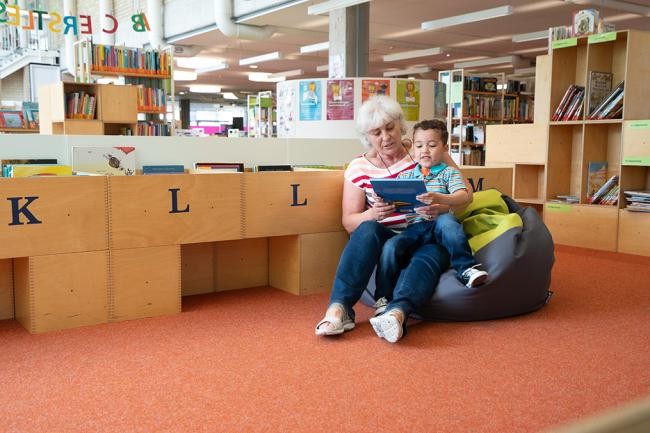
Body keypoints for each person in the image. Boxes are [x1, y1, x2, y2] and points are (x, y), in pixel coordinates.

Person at [314, 96, 471, 342]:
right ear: (367, 136)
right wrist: (373, 213)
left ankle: (397, 314)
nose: (385, 137)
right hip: (388, 239)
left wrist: (440, 204)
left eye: (390, 128)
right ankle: (339, 309)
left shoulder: (423, 149)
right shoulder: (359, 168)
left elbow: (466, 194)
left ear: (400, 125)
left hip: (428, 231)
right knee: (367, 229)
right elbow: (349, 222)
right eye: (376, 132)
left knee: (429, 254)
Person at [372, 120, 488, 341]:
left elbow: (463, 196)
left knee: (448, 224)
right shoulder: (407, 177)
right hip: (415, 227)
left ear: (445, 149)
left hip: (440, 224)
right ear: (412, 148)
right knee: (390, 246)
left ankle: (467, 268)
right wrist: (383, 199)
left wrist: (439, 199)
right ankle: (383, 298)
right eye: (419, 145)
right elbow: (395, 201)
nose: (424, 150)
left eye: (432, 145)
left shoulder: (449, 174)